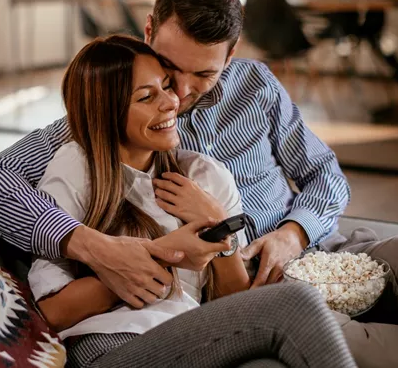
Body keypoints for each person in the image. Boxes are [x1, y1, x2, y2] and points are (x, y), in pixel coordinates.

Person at [0, 0, 398, 367]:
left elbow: (325, 175)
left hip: (325, 255)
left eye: (201, 74)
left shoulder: (257, 87)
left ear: (233, 53)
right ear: (150, 30)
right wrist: (93, 246)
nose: (176, 95)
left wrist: (293, 235)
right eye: (168, 68)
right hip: (254, 298)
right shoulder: (112, 118)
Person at [26, 34, 355, 368]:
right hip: (111, 345)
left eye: (166, 87)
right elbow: (53, 313)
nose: (172, 102)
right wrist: (164, 255)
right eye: (146, 97)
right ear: (106, 112)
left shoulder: (205, 174)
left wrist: (221, 229)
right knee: (295, 302)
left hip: (192, 334)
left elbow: (234, 297)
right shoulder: (76, 167)